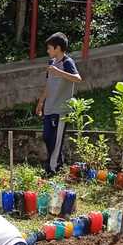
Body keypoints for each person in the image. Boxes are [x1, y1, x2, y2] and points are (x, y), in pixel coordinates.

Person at [36, 32, 82, 175]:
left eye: (50, 48)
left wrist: (59, 72)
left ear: (58, 48)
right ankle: (58, 162)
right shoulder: (51, 63)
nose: (48, 51)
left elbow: (77, 78)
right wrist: (40, 102)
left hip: (61, 109)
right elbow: (48, 84)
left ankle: (52, 168)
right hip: (49, 107)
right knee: (47, 137)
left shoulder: (67, 62)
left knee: (56, 140)